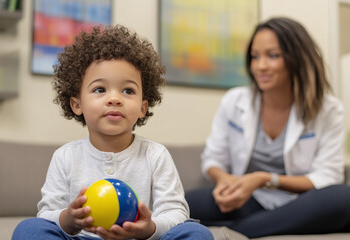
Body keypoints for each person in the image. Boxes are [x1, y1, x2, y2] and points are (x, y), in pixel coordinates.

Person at [12, 25, 213, 240]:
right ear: (77, 104)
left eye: (128, 90)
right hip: (83, 238)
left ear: (143, 108)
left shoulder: (155, 155)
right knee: (29, 230)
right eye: (100, 89)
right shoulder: (66, 157)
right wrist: (68, 219)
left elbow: (176, 214)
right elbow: (46, 214)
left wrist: (150, 228)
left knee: (196, 233)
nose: (114, 98)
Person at [185, 17, 350, 238]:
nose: (260, 66)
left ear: (297, 59)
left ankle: (234, 232)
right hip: (248, 200)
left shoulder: (329, 110)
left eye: (272, 56)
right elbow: (213, 158)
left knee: (341, 197)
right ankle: (265, 225)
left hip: (299, 204)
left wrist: (264, 179)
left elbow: (328, 176)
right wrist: (227, 182)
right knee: (187, 202)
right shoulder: (234, 100)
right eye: (255, 57)